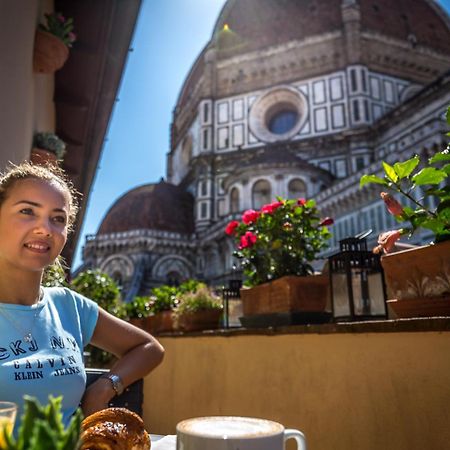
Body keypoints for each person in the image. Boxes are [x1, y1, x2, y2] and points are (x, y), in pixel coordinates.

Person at [0, 162, 164, 431]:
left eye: (58, 218)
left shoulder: (69, 306)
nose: (45, 229)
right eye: (27, 211)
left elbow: (149, 349)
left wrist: (105, 387)